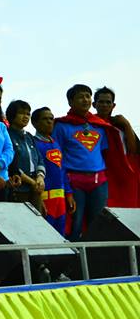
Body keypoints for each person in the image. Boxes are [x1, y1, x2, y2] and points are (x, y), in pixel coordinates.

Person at [53, 84, 109, 241]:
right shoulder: (61, 126)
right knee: (75, 224)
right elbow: (56, 155)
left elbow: (106, 152)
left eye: (87, 96)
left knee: (97, 224)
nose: (85, 100)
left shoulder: (99, 126)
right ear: (70, 102)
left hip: (99, 181)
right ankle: (74, 255)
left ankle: (95, 255)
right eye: (80, 97)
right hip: (74, 181)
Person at [94, 86, 140, 208]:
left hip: (124, 175)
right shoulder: (88, 125)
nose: (104, 105)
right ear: (94, 104)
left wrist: (127, 125)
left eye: (108, 102)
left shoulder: (119, 125)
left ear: (113, 105)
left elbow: (133, 151)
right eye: (101, 102)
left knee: (128, 210)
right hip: (100, 173)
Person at [32, 107, 74, 235]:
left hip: (60, 200)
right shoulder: (33, 143)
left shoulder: (56, 143)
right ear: (35, 122)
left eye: (51, 118)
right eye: (45, 119)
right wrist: (38, 199)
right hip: (44, 198)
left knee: (61, 235)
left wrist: (69, 194)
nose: (49, 121)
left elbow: (62, 170)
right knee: (46, 234)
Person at [4, 100, 45, 208]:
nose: (26, 116)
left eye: (28, 113)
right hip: (18, 188)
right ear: (12, 115)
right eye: (21, 113)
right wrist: (31, 182)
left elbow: (40, 160)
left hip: (35, 188)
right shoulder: (7, 135)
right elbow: (12, 165)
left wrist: (40, 177)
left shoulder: (29, 137)